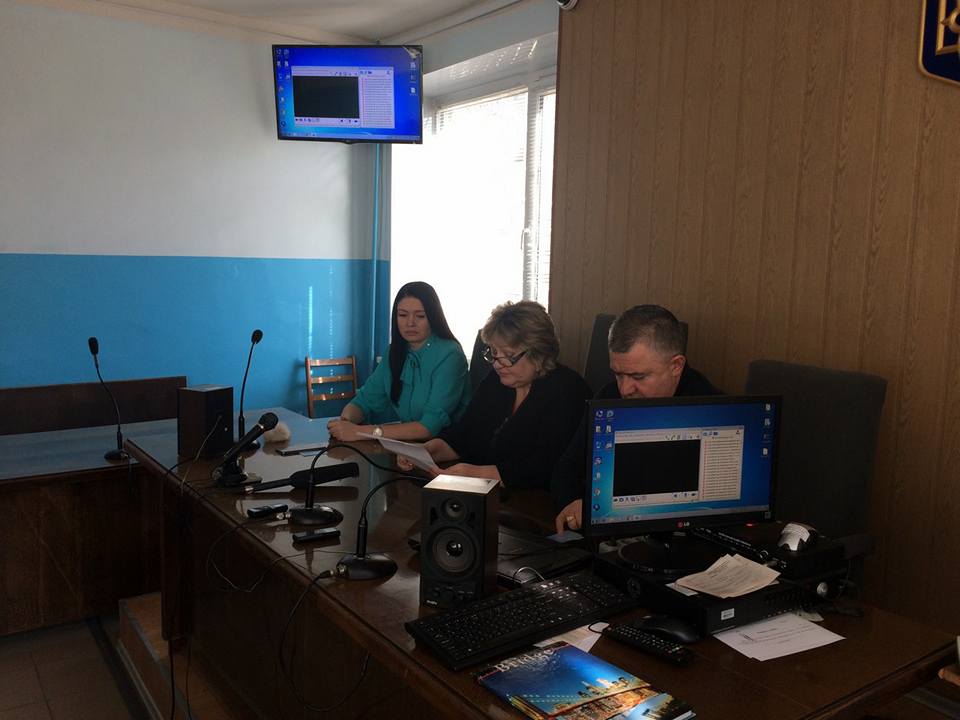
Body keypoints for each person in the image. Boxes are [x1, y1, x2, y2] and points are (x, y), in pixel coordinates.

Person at [553, 304, 721, 532]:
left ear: (676, 366)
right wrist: (572, 505)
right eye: (618, 374)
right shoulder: (608, 397)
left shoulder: (712, 409)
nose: (624, 389)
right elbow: (566, 469)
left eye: (638, 376)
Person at [399, 300, 590, 491]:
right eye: (493, 352)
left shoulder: (567, 390)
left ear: (539, 354)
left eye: (508, 355)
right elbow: (464, 435)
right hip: (487, 494)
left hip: (536, 501)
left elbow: (547, 467)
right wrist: (427, 451)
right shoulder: (497, 381)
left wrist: (476, 474)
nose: (497, 363)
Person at [327, 281, 470, 443]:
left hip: (449, 448)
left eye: (420, 316)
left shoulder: (450, 355)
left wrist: (361, 432)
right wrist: (345, 423)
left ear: (433, 317)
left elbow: (428, 427)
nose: (410, 323)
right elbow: (364, 401)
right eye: (402, 315)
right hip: (410, 447)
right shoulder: (394, 351)